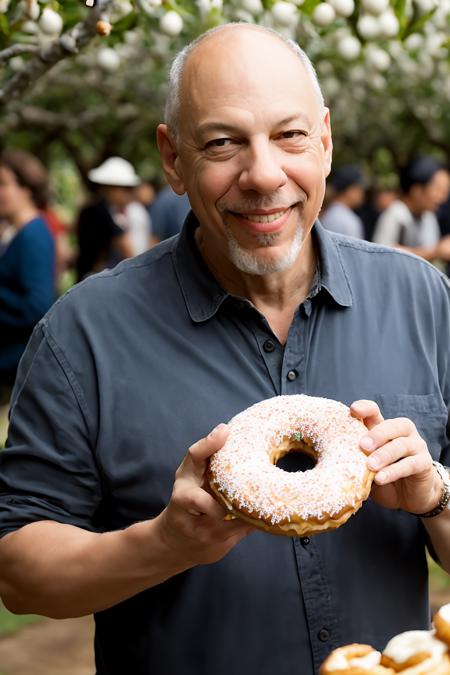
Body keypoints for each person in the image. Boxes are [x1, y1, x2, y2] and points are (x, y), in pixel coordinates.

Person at [1, 24, 450, 675]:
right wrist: (162, 543)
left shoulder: (423, 299)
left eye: (289, 135)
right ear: (173, 158)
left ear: (324, 140)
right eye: (222, 142)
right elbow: (17, 569)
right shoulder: (83, 336)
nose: (264, 174)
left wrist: (436, 495)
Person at [0, 149, 55, 399]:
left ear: (26, 189)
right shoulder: (17, 232)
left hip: (17, 361)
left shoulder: (34, 235)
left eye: (3, 184)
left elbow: (37, 306)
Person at [76, 157, 151, 281]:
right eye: (126, 189)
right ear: (113, 189)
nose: (129, 194)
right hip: (94, 278)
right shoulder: (101, 212)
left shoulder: (91, 209)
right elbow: (124, 246)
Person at [372, 157, 450, 261]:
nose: (442, 198)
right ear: (416, 190)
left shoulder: (429, 218)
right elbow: (382, 254)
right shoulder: (396, 214)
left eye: (445, 192)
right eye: (437, 190)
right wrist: (435, 251)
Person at [320, 165, 365, 239]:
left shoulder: (329, 213)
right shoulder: (348, 220)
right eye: (359, 188)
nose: (362, 193)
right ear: (350, 190)